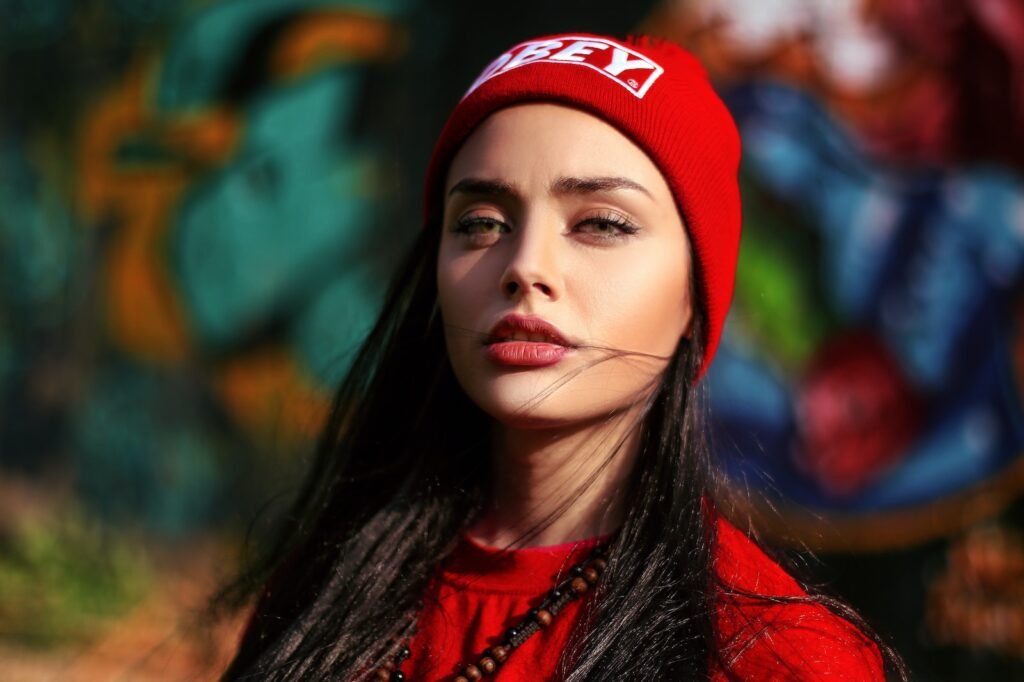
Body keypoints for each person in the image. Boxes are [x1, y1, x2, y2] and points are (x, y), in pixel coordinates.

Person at [219, 32, 906, 681]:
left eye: (601, 223)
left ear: (694, 297)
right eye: (481, 223)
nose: (525, 267)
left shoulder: (779, 659)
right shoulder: (326, 596)